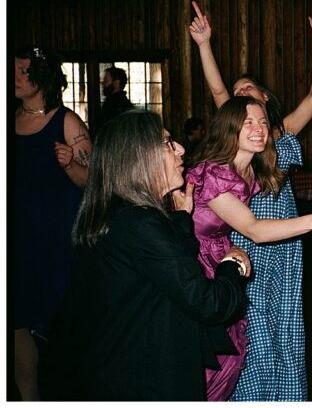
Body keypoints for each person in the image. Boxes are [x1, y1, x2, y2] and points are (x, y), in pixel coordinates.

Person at [49, 110, 250, 401]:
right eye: (167, 143)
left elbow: (165, 266)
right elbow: (210, 304)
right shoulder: (140, 224)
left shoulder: (118, 213)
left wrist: (182, 217)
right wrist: (234, 265)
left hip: (117, 366)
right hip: (144, 380)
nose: (180, 148)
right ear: (139, 157)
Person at [190, 1, 312, 401]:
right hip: (247, 241)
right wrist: (204, 44)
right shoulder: (237, 141)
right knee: (252, 328)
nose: (239, 95)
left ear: (265, 99)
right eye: (236, 97)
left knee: (285, 324)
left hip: (283, 245)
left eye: (248, 90)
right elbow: (219, 89)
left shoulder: (280, 135)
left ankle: (286, 395)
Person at [185, 96, 312, 400]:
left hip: (220, 258)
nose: (259, 128)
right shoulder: (214, 174)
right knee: (209, 360)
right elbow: (254, 230)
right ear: (230, 128)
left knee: (231, 358)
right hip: (194, 263)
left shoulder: (251, 171)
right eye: (248, 122)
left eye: (263, 121)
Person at [13, 46, 91, 400]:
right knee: (17, 321)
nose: (15, 76)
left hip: (58, 235)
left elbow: (91, 181)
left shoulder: (67, 121)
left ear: (42, 78)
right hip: (18, 235)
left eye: (24, 71)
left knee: (63, 319)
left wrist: (69, 164)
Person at [95, 66, 133, 134]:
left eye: (106, 80)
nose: (103, 83)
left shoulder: (118, 105)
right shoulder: (120, 103)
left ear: (117, 82)